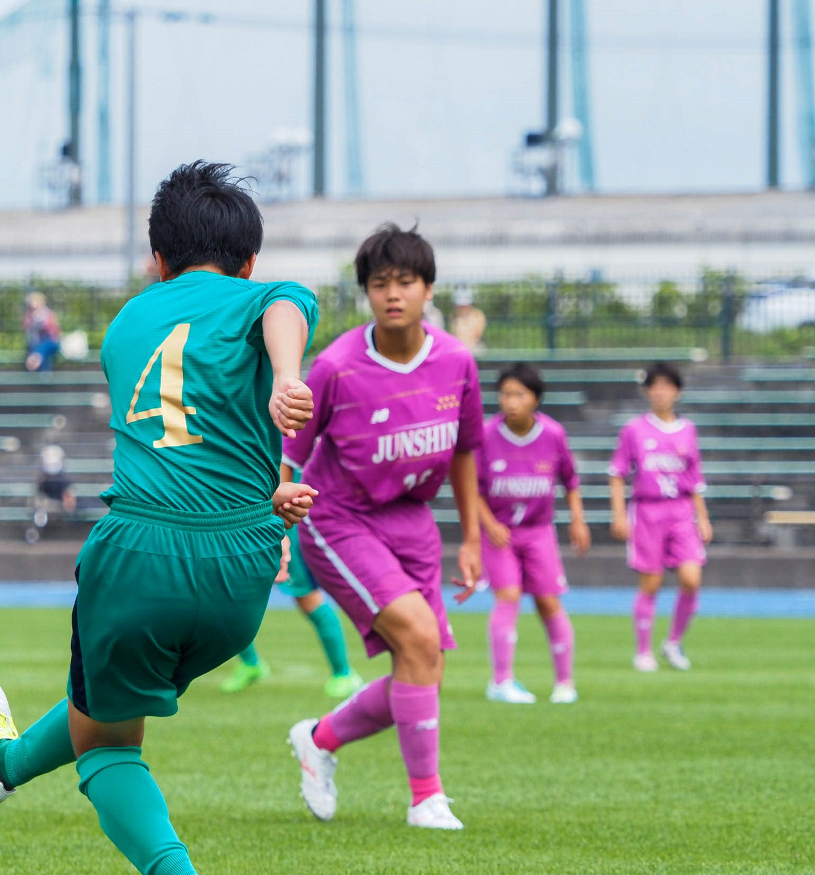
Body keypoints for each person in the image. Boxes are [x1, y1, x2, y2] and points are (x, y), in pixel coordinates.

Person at [0, 161, 317, 875]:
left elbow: (180, 425)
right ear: (250, 261)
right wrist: (286, 393)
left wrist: (285, 378)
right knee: (101, 715)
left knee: (109, 749)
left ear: (156, 259)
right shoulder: (269, 299)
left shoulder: (126, 327)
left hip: (142, 557)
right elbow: (288, 308)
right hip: (241, 575)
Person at [286, 223, 483, 831]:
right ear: (366, 293)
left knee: (421, 665)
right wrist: (274, 530)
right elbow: (288, 454)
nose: (392, 294)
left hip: (414, 521)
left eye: (405, 281)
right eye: (379, 284)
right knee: (421, 642)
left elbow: (466, 451)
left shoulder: (456, 362)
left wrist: (473, 538)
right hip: (338, 518)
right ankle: (427, 798)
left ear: (429, 290)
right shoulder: (337, 366)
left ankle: (318, 739)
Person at [477, 363, 590, 705]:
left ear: (536, 399)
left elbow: (570, 480)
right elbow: (470, 486)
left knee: (548, 602)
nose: (511, 402)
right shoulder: (485, 434)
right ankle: (501, 682)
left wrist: (578, 520)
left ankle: (565, 683)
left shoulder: (553, 435)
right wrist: (489, 523)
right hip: (500, 534)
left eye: (519, 395)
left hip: (539, 532)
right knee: (508, 595)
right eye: (506, 394)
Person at [608, 363, 711, 672]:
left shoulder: (688, 430)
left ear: (677, 392)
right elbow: (617, 474)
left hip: (681, 511)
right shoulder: (634, 429)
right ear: (647, 391)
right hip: (648, 511)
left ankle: (673, 642)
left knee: (691, 579)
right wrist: (618, 515)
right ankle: (643, 651)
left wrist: (702, 517)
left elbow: (694, 479)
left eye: (667, 386)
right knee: (651, 582)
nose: (661, 392)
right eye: (655, 386)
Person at [222, 492, 365, 699]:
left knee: (306, 597)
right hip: (245, 517)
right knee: (225, 595)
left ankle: (343, 674)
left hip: (286, 519)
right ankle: (251, 663)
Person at [22, 291, 61, 372]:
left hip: (50, 342)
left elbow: (55, 331)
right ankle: (44, 375)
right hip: (35, 343)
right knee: (39, 350)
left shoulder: (49, 313)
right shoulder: (29, 315)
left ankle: (34, 359)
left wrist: (43, 322)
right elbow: (25, 326)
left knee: (43, 347)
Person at [450, 286, 487, 353]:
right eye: (460, 305)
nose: (462, 308)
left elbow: (477, 336)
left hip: (474, 349)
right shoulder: (454, 316)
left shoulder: (478, 315)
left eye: (464, 305)